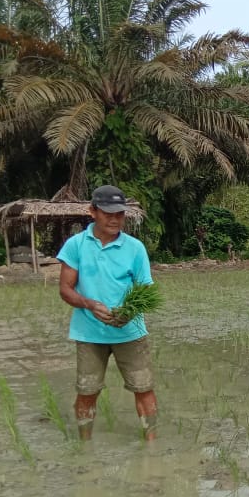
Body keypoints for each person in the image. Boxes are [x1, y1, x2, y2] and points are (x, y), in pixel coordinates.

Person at [57, 185, 158, 441]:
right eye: (107, 213)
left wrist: (129, 312)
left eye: (119, 214)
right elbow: (65, 290)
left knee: (143, 388)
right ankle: (85, 445)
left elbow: (146, 289)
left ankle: (152, 444)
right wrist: (90, 304)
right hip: (90, 333)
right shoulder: (76, 245)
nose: (114, 219)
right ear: (92, 212)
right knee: (87, 391)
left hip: (130, 332)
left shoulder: (135, 248)